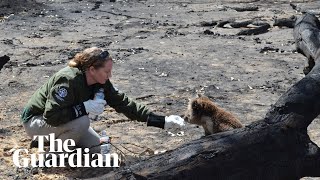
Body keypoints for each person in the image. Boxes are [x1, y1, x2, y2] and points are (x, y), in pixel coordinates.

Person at [20, 47, 185, 153]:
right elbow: (51, 116)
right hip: (36, 121)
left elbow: (124, 103)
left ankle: (50, 142)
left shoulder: (101, 82)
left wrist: (161, 121)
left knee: (98, 148)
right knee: (83, 122)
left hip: (65, 121)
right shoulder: (68, 80)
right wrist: (84, 107)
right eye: (107, 72)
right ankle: (54, 152)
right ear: (92, 69)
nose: (109, 76)